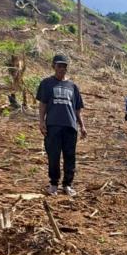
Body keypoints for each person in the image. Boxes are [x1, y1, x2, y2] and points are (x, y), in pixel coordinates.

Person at [36, 54, 86, 196]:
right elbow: (43, 104)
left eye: (64, 66)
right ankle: (53, 184)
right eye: (59, 65)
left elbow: (77, 109)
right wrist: (41, 122)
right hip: (53, 125)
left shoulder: (73, 86)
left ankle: (67, 185)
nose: (62, 69)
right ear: (53, 66)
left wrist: (82, 126)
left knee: (70, 156)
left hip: (70, 126)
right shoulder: (46, 83)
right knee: (54, 155)